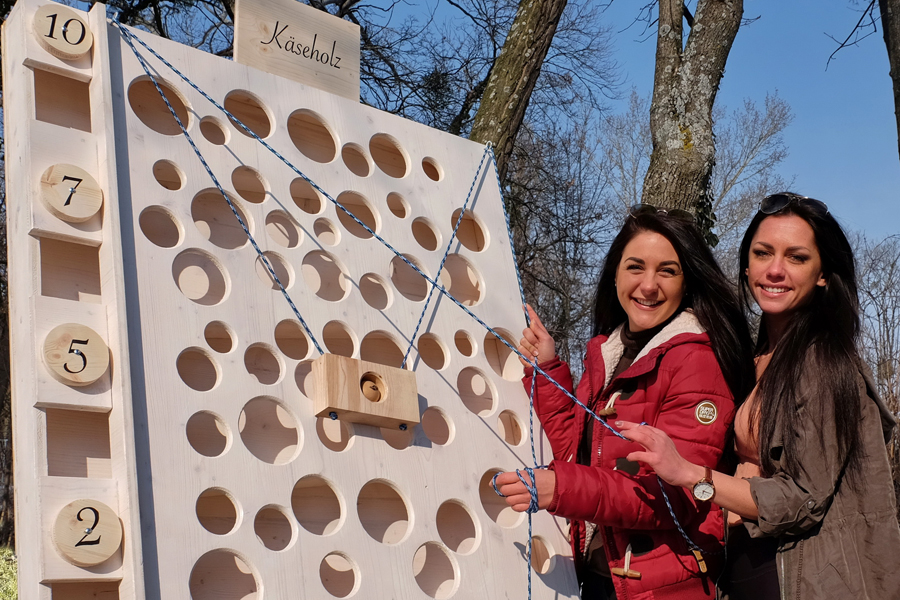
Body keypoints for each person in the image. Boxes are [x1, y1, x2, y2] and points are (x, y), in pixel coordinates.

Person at [618, 193, 900, 600]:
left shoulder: (823, 361)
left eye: (797, 257)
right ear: (747, 264)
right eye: (763, 253)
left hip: (801, 576)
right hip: (750, 566)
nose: (775, 270)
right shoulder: (757, 355)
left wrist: (691, 475)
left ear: (823, 274)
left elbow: (804, 499)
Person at [495, 207, 754, 599]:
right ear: (615, 273)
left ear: (688, 283)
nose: (648, 285)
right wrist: (547, 370)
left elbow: (677, 497)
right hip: (600, 578)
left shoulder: (697, 360)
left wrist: (559, 488)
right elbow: (575, 451)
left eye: (667, 271)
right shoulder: (610, 352)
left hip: (662, 586)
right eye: (636, 267)